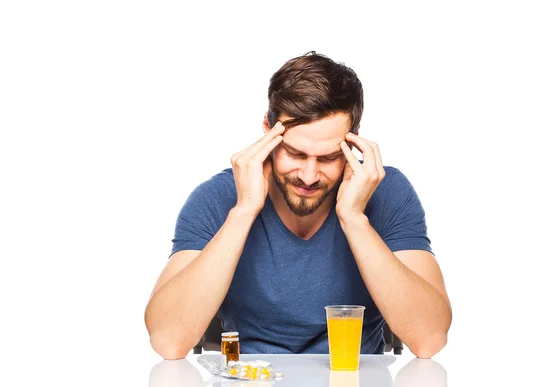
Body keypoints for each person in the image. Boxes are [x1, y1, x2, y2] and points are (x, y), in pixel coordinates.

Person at [144, 51, 452, 360]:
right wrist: (245, 210)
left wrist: (354, 218)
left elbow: (429, 339)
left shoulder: (386, 192)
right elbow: (168, 342)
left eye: (329, 157)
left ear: (354, 142)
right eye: (295, 153)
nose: (308, 176)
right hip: (251, 379)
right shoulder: (218, 197)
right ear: (268, 132)